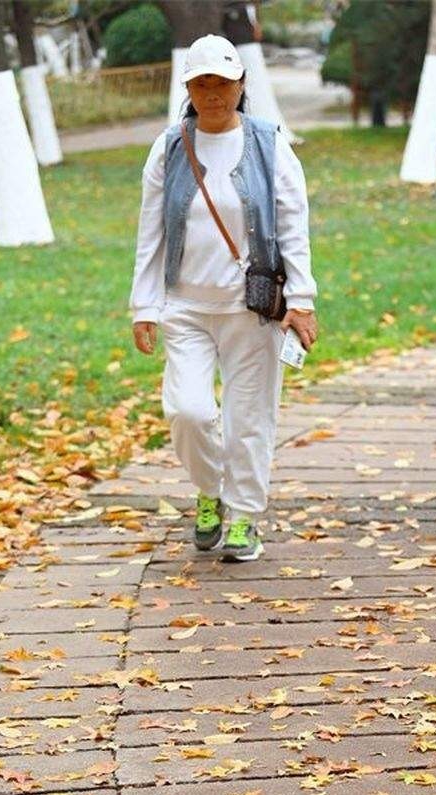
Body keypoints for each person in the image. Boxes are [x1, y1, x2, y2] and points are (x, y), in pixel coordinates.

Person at [130, 33, 317, 562]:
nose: (212, 93)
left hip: (251, 309)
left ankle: (244, 517)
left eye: (222, 82)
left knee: (249, 418)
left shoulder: (268, 141)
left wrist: (300, 297)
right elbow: (151, 230)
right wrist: (144, 305)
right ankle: (210, 491)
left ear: (240, 84)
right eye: (201, 83)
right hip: (185, 306)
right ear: (188, 87)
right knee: (188, 411)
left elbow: (292, 222)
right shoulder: (168, 146)